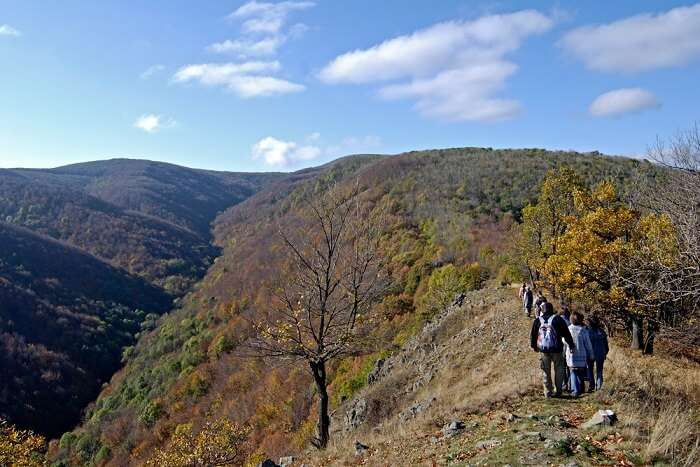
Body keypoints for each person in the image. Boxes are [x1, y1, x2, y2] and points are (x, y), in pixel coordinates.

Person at [530, 302, 575, 398]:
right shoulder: (558, 319)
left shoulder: (538, 320)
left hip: (543, 350)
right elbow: (566, 334)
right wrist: (571, 345)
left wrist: (534, 346)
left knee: (546, 371)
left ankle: (548, 392)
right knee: (559, 369)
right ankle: (558, 390)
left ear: (542, 310)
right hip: (557, 349)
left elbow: (533, 335)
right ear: (552, 309)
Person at [564, 311, 594, 397]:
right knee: (580, 372)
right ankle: (580, 389)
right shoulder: (583, 330)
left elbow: (564, 341)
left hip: (571, 354)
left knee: (573, 371)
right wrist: (591, 354)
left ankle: (575, 390)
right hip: (581, 354)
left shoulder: (568, 329)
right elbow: (588, 344)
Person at [586, 317, 609, 391]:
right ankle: (599, 386)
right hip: (601, 353)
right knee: (599, 370)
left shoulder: (587, 332)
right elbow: (606, 344)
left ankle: (591, 385)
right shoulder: (602, 332)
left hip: (590, 353)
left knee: (590, 369)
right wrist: (605, 352)